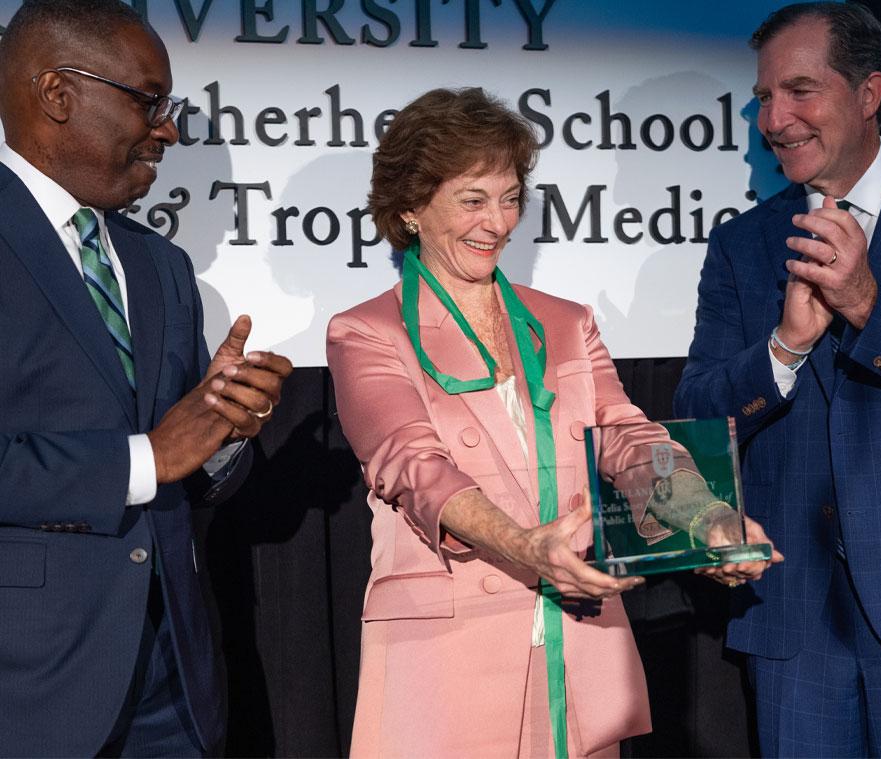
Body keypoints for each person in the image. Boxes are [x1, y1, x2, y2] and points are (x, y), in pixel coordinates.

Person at [327, 87, 777, 758]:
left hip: (579, 644)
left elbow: (629, 440)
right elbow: (415, 469)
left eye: (510, 198)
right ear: (409, 209)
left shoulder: (566, 323)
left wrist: (706, 518)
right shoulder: (366, 332)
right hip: (447, 658)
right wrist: (528, 548)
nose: (497, 222)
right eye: (472, 199)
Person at [674, 3, 881, 756]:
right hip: (793, 623)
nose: (773, 119)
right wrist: (784, 348)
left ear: (869, 92)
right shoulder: (742, 244)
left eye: (798, 91)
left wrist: (868, 306)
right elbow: (695, 416)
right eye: (762, 97)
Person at [0, 1, 292, 756]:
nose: (168, 128)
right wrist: (147, 457)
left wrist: (223, 431)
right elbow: (153, 455)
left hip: (176, 689)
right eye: (148, 100)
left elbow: (190, 469)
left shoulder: (160, 265)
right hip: (28, 692)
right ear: (57, 93)